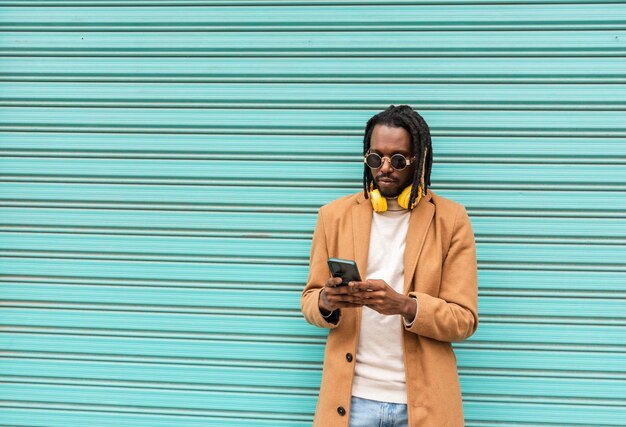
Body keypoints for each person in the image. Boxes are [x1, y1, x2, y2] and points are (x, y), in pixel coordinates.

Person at [300, 105, 479, 426]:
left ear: (418, 160)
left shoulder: (451, 220)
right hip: (350, 402)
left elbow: (463, 320)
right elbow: (310, 301)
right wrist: (327, 303)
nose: (384, 168)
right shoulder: (333, 216)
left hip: (422, 404)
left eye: (398, 160)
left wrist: (405, 306)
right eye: (374, 158)